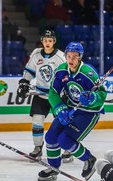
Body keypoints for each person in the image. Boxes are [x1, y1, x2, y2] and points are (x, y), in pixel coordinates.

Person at [37, 41, 107, 181]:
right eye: (69, 56)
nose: (71, 59)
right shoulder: (61, 70)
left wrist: (92, 97)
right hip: (70, 108)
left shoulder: (88, 73)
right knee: (50, 137)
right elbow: (53, 93)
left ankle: (89, 159)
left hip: (89, 112)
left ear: (80, 57)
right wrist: (60, 109)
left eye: (75, 57)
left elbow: (102, 94)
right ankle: (53, 168)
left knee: (64, 140)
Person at [16, 30, 73, 163]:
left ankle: (68, 149)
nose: (47, 43)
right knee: (37, 122)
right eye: (45, 40)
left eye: (50, 40)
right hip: (40, 95)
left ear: (54, 41)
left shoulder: (60, 56)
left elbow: (67, 75)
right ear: (42, 41)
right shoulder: (36, 54)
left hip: (56, 96)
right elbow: (29, 71)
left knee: (62, 122)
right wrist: (24, 82)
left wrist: (67, 89)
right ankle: (37, 148)